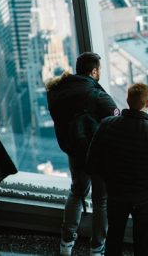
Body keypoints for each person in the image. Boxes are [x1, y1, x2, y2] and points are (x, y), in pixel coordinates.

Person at [87, 83, 148, 256]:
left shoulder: (107, 124)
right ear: (147, 103)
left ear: (127, 100)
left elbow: (92, 161)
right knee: (143, 242)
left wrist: (108, 179)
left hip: (116, 192)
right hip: (144, 195)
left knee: (114, 238)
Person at [46, 52, 119, 256]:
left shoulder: (58, 89)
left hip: (74, 151)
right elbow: (117, 119)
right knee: (101, 200)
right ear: (94, 71)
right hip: (98, 154)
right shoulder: (95, 93)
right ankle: (97, 248)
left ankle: (66, 242)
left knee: (77, 192)